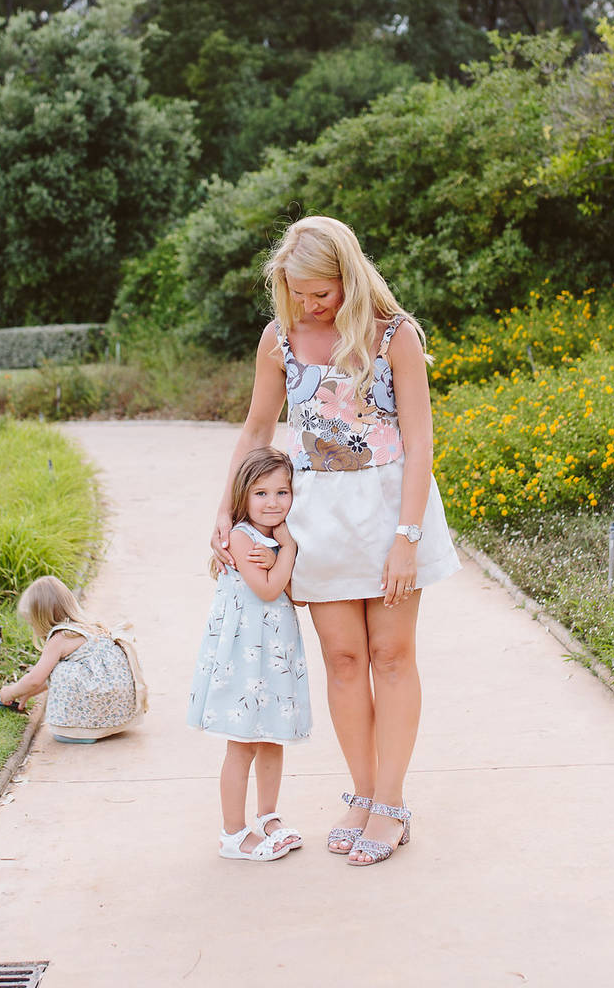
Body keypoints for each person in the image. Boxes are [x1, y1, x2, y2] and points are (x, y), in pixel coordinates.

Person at [211, 216, 460, 867]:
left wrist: (407, 538)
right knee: (345, 661)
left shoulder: (393, 336)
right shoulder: (280, 340)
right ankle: (364, 792)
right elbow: (258, 429)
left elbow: (421, 442)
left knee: (392, 656)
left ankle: (392, 802)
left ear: (348, 276)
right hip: (318, 515)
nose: (310, 304)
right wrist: (224, 513)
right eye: (298, 292)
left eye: (320, 292)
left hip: (389, 511)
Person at [188, 447, 311, 861]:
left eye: (282, 492)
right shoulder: (241, 537)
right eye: (261, 494)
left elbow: (298, 597)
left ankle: (268, 817)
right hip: (244, 655)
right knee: (242, 743)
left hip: (273, 655)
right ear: (243, 497)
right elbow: (268, 589)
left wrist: (282, 554)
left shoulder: (277, 538)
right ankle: (233, 833)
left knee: (272, 738)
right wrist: (288, 552)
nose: (273, 503)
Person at [0, 575, 141, 743]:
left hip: (94, 715)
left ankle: (78, 729)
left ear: (41, 618)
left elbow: (35, 678)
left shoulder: (60, 637)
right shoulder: (90, 628)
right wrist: (27, 693)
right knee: (63, 669)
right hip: (119, 715)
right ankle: (100, 726)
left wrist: (10, 692)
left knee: (63, 670)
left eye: (32, 623)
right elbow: (47, 678)